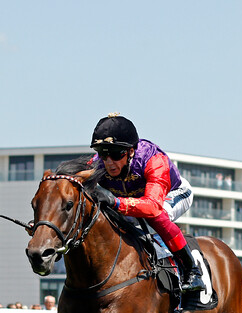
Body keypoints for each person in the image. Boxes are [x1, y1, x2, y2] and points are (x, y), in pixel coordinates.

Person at [87, 113, 205, 293]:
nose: (109, 162)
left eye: (116, 154)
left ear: (131, 151)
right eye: (103, 154)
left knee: (157, 217)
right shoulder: (97, 164)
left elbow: (152, 206)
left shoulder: (154, 160)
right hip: (133, 200)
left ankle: (192, 271)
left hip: (173, 194)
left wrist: (115, 202)